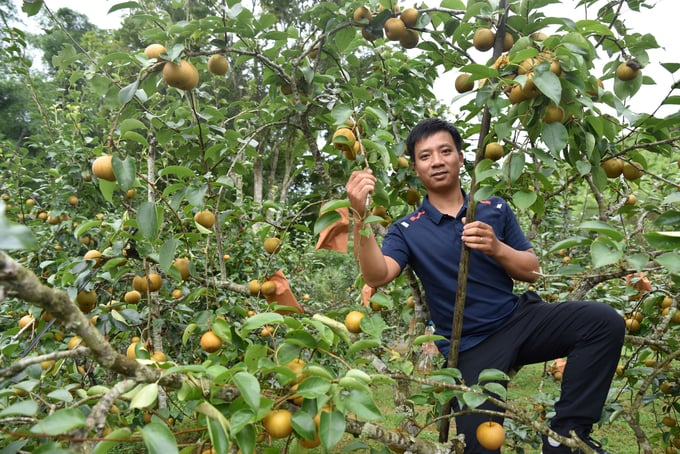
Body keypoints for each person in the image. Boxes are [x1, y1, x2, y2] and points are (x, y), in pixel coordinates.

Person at [345, 118, 625, 454]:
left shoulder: (493, 208)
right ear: (416, 168)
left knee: (603, 322)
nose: (436, 161)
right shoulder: (407, 228)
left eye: (445, 151)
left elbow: (532, 271)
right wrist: (359, 217)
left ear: (461, 158)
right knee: (479, 446)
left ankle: (565, 433)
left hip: (519, 320)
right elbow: (378, 275)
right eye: (425, 156)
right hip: (471, 345)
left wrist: (497, 247)